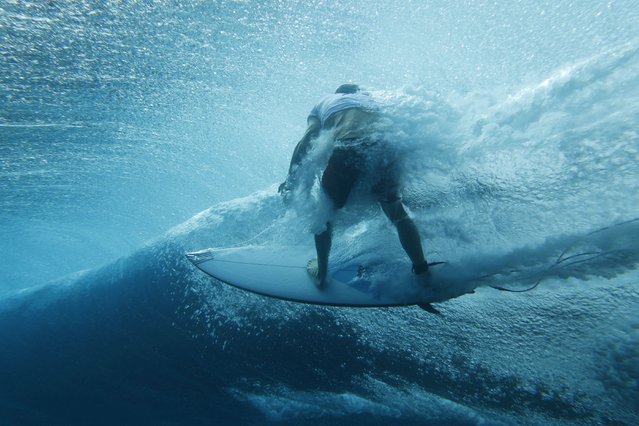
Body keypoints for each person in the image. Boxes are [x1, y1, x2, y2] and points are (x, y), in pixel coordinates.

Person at [279, 84, 429, 287]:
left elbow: (308, 138)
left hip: (350, 146)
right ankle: (422, 268)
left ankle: (321, 274)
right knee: (397, 213)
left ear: (338, 93)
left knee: (325, 214)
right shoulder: (372, 102)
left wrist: (291, 179)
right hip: (388, 146)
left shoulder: (324, 103)